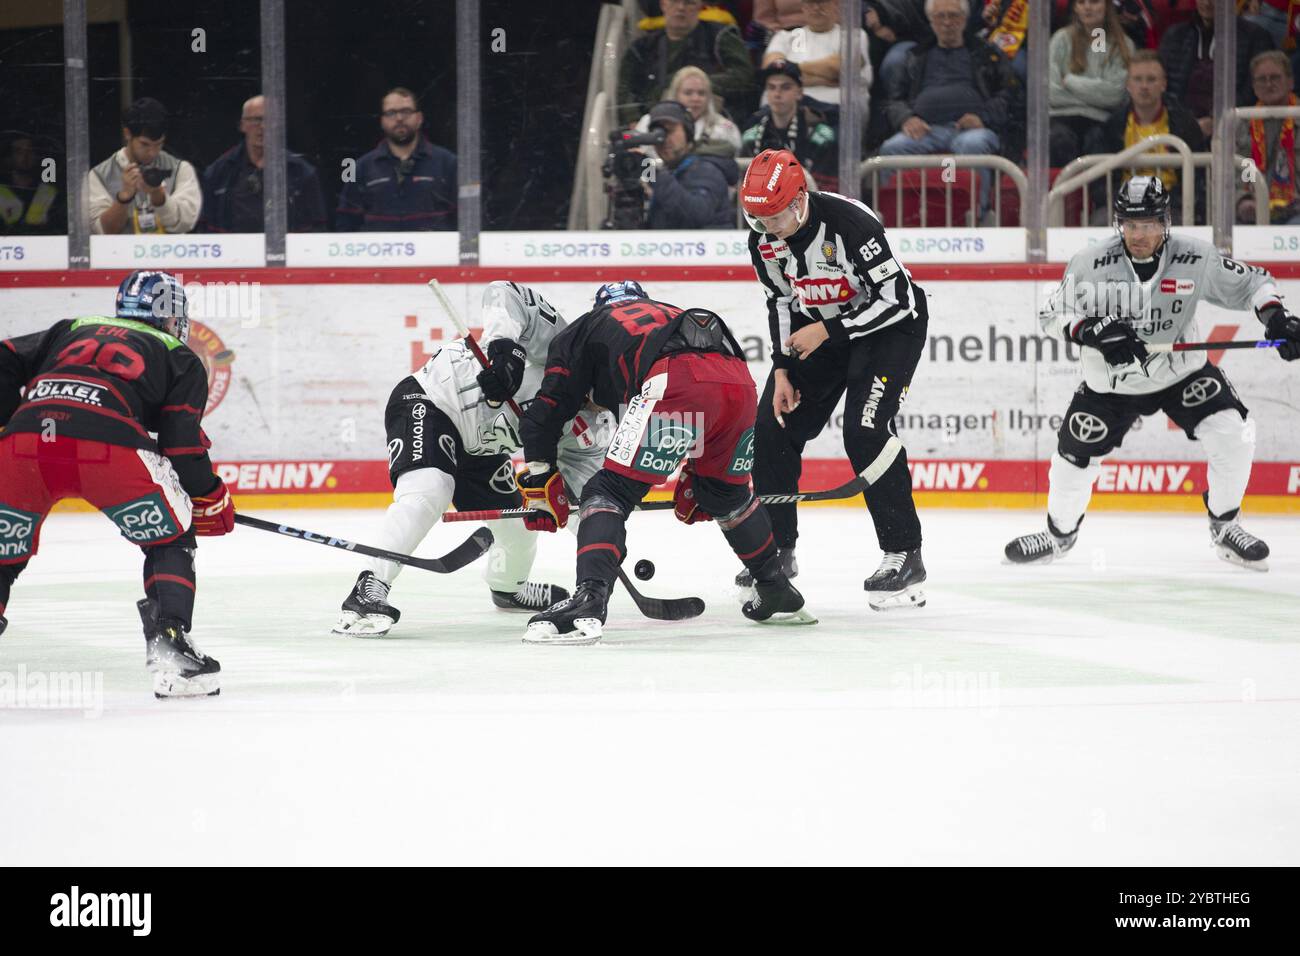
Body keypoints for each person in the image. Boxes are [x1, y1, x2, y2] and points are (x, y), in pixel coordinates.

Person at [1005, 175, 1300, 571]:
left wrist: (1276, 317)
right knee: (1071, 459)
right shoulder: (1089, 263)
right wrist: (1087, 330)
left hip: (1181, 374)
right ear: (1118, 224)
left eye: (1147, 225)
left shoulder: (1196, 257)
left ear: (1165, 222)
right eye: (1130, 224)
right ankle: (1059, 535)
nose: (1138, 234)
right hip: (1111, 383)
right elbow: (1051, 314)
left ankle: (1225, 524)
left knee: (1233, 432)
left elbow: (1254, 283)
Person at [516, 281, 814, 645]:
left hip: (674, 379)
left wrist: (539, 477)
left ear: (600, 306)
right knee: (725, 493)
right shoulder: (667, 313)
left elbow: (546, 411)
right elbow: (705, 386)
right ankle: (774, 586)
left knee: (607, 490)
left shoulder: (584, 327)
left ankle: (589, 598)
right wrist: (697, 469)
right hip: (738, 383)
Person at [0, 270, 235, 698]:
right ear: (173, 316)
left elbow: (4, 355)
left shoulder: (70, 328)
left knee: (2, 551)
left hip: (24, 445)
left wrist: (13, 418)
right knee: (171, 537)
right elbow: (182, 448)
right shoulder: (178, 354)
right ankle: (171, 651)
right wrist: (208, 495)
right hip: (106, 450)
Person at [333, 281, 615, 636]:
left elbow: (582, 500)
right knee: (429, 490)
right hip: (433, 400)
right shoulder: (561, 338)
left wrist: (597, 536)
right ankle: (370, 586)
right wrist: (504, 349)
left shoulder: (595, 426)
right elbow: (502, 291)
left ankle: (508, 588)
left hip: (483, 447)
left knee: (518, 525)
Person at [740, 149, 931, 610]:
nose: (768, 228)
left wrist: (830, 328)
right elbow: (781, 301)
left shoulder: (850, 224)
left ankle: (904, 552)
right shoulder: (762, 237)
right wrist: (782, 367)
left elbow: (900, 299)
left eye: (775, 217)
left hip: (888, 331)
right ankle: (777, 551)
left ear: (800, 198)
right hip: (819, 332)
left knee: (864, 432)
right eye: (757, 218)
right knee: (771, 427)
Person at [879, 0, 1015, 216]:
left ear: (965, 19)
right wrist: (906, 119)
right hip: (926, 131)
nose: (947, 22)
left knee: (973, 144)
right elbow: (893, 100)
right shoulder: (915, 55)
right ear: (931, 21)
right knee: (891, 149)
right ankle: (899, 217)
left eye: (953, 16)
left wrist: (983, 117)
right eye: (940, 17)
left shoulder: (987, 54)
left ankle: (976, 214)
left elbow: (1008, 96)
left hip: (972, 130)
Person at [1093, 50, 1206, 223]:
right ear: (1128, 85)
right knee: (1101, 220)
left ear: (1164, 84)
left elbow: (1199, 179)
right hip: (1124, 205)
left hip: (1171, 206)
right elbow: (1101, 184)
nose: (1144, 86)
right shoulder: (1111, 127)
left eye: (1151, 79)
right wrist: (1127, 200)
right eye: (1137, 79)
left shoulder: (1186, 125)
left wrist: (1162, 200)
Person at [199, 95, 327, 233]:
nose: (263, 126)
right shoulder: (218, 172)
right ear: (242, 125)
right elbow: (205, 228)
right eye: (256, 120)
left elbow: (317, 229)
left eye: (270, 120)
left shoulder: (302, 172)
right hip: (234, 253)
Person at [335, 87, 457, 231]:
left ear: (419, 118)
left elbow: (467, 219)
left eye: (406, 111)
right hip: (378, 253)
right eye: (391, 113)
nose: (399, 118)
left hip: (436, 253)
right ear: (382, 121)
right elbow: (346, 224)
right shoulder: (358, 167)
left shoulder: (449, 162)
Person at [618, 0, 757, 126]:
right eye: (674, 1)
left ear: (700, 6)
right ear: (663, 4)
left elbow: (744, 75)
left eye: (689, 2)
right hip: (654, 123)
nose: (681, 7)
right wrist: (633, 120)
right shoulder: (641, 48)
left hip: (710, 124)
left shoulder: (721, 37)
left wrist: (698, 85)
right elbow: (625, 90)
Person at [1159, 0, 1276, 141]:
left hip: (1236, 131)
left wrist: (1217, 120)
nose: (1207, 3)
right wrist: (1184, 122)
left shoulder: (1255, 36)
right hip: (1179, 129)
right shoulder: (1175, 35)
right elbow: (1163, 86)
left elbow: (1254, 90)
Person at [88, 98, 202, 235]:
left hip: (168, 255)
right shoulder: (99, 175)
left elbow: (186, 224)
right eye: (145, 144)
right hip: (120, 255)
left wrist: (160, 197)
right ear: (127, 134)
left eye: (159, 144)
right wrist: (123, 198)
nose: (152, 152)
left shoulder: (181, 170)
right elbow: (101, 232)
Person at [1048, 0, 1135, 168]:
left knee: (1099, 139)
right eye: (1081, 2)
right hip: (1061, 119)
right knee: (1059, 139)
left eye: (1094, 1)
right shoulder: (1060, 39)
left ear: (1107, 6)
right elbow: (1052, 93)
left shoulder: (1124, 45)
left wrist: (1070, 82)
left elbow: (1113, 95)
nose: (1087, 7)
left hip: (1102, 121)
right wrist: (1095, 95)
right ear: (1075, 7)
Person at [763, 0, 873, 119]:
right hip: (784, 112)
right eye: (810, 3)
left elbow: (838, 67)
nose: (816, 8)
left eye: (822, 2)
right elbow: (771, 69)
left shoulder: (854, 35)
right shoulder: (786, 37)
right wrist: (820, 77)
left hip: (836, 113)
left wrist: (791, 72)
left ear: (835, 5)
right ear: (803, 8)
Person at [741, 60, 840, 193]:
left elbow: (825, 194)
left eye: (785, 87)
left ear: (799, 93)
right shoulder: (751, 137)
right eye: (771, 87)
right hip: (762, 209)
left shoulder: (821, 137)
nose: (777, 94)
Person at [641, 100, 740, 229]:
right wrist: (640, 165)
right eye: (657, 133)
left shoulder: (707, 169)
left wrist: (657, 176)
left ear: (688, 133)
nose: (664, 139)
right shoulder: (672, 170)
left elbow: (696, 215)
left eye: (669, 131)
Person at [1236, 51, 1300, 225]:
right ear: (1254, 86)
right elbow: (1229, 174)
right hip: (1251, 209)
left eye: (1275, 78)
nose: (1268, 84)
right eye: (1261, 79)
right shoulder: (1240, 122)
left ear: (1291, 81)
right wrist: (1242, 200)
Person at [634, 66, 743, 158]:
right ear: (675, 95)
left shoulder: (725, 128)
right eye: (688, 93)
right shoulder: (649, 122)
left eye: (701, 93)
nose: (695, 99)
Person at [0, 131, 64, 235]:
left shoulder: (49, 193)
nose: (25, 157)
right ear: (9, 158)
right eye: (19, 151)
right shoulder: (1, 192)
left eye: (30, 151)